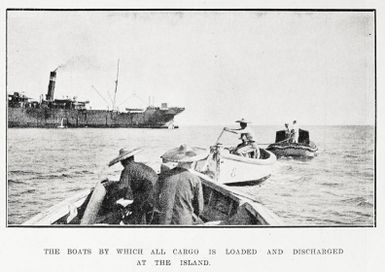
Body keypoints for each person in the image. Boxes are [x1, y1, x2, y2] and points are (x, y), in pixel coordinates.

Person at [153, 144, 206, 225]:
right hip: (184, 221)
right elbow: (199, 207)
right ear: (191, 162)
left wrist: (162, 209)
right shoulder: (195, 179)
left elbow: (154, 196)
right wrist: (193, 216)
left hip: (164, 220)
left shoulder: (164, 176)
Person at [106, 147, 158, 224]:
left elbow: (122, 188)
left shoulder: (127, 169)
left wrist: (110, 199)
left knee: (128, 219)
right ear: (132, 158)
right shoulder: (140, 166)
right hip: (156, 195)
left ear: (123, 161)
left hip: (147, 199)